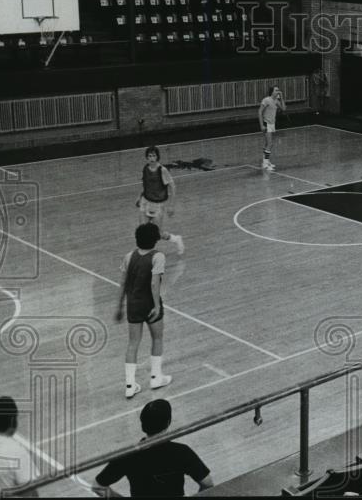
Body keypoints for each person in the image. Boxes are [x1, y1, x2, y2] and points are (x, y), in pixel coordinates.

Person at [92, 399, 213, 497]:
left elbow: (98, 486)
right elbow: (208, 484)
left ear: (142, 424)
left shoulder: (128, 455)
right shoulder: (181, 452)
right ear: (168, 422)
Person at [116, 223, 172, 399]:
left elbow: (123, 283)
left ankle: (130, 385)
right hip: (149, 302)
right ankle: (156, 377)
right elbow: (154, 283)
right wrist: (156, 305)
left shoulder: (128, 256)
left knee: (133, 343)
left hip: (133, 304)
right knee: (157, 338)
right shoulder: (158, 257)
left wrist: (119, 306)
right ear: (156, 240)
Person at [136, 146, 184, 255]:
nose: (151, 158)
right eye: (149, 156)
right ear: (146, 157)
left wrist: (171, 205)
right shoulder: (145, 168)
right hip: (145, 202)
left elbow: (173, 186)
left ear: (157, 157)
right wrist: (139, 197)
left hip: (158, 204)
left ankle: (176, 239)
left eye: (153, 155)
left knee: (157, 233)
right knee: (142, 230)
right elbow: (145, 184)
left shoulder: (162, 170)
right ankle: (146, 253)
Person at [259, 85, 285, 170]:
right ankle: (265, 164)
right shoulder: (266, 100)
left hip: (272, 124)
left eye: (278, 90)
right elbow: (259, 112)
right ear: (272, 92)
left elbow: (283, 109)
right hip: (266, 123)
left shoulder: (276, 101)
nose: (278, 91)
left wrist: (281, 98)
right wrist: (261, 125)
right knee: (270, 144)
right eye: (276, 90)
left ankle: (266, 161)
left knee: (267, 144)